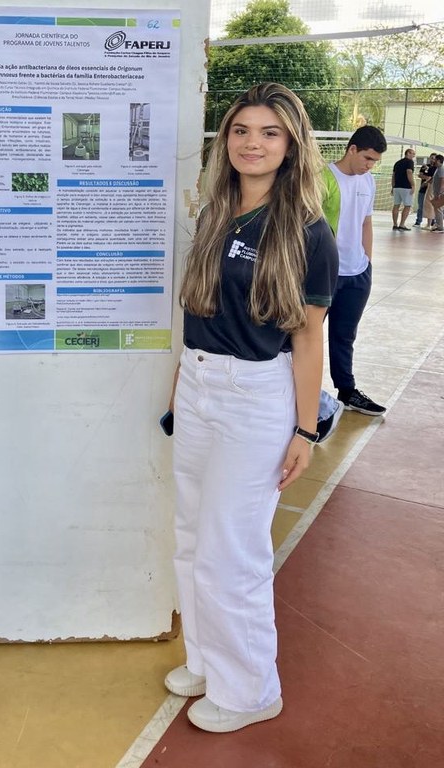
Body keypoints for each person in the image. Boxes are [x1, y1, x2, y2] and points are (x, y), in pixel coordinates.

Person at [164, 83, 338, 733]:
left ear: (292, 144)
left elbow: (307, 335)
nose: (253, 143)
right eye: (241, 130)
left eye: (269, 133)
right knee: (190, 534)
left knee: (229, 551)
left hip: (256, 397)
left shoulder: (306, 230)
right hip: (201, 386)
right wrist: (184, 379)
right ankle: (208, 660)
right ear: (226, 140)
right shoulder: (217, 210)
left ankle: (251, 690)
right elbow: (202, 309)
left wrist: (303, 427)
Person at [321, 126, 388, 416]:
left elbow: (366, 223)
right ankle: (291, 392)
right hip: (323, 275)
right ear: (352, 150)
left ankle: (347, 391)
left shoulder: (368, 181)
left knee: (344, 336)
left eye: (374, 161)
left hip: (357, 274)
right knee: (301, 336)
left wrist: (367, 263)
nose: (370, 165)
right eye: (368, 158)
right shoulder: (322, 178)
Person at [390, 147, 415, 231]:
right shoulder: (409, 162)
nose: (413, 156)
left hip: (397, 187)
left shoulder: (397, 163)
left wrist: (393, 186)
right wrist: (413, 185)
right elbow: (409, 172)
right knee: (407, 206)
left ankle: (395, 224)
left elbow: (393, 175)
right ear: (407, 153)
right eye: (412, 153)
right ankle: (402, 224)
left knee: (396, 205)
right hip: (406, 187)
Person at [414, 153, 436, 227]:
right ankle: (418, 221)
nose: (432, 159)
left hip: (432, 191)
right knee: (421, 206)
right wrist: (428, 178)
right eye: (431, 158)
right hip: (423, 189)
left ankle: (432, 222)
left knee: (431, 206)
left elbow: (434, 178)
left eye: (434, 158)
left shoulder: (437, 168)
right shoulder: (424, 167)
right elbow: (420, 175)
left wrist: (428, 178)